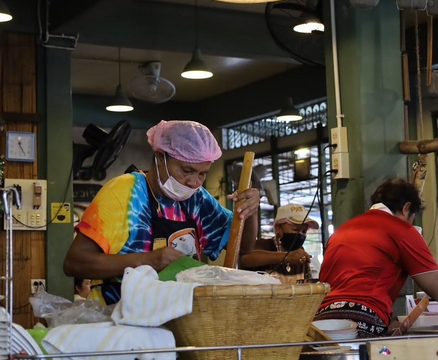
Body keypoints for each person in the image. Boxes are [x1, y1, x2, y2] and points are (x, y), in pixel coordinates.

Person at [63, 120, 260, 304]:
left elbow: (242, 248)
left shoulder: (198, 199)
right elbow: (75, 263)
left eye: (202, 174)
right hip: (118, 320)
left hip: (178, 319)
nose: (194, 182)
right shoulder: (124, 193)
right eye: (186, 170)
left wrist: (249, 211)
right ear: (159, 157)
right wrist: (148, 260)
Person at [315, 179, 438, 338]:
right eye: (412, 218)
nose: (412, 224)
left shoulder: (342, 230)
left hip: (321, 321)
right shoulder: (401, 230)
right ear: (406, 208)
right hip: (363, 318)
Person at [240, 203, 317, 284]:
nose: (300, 234)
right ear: (278, 228)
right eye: (295, 229)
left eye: (304, 231)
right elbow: (245, 259)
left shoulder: (300, 255)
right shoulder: (264, 245)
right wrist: (286, 257)